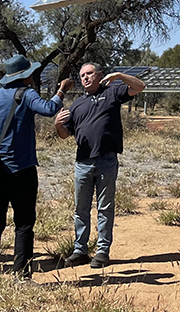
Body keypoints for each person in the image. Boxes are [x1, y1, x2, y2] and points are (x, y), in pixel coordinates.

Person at [0, 55, 74, 277]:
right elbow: (49, 109)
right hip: (23, 168)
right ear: (25, 76)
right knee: (24, 222)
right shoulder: (27, 94)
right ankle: (21, 274)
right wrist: (61, 91)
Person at [55, 63, 145, 269]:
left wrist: (120, 75)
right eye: (82, 75)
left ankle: (103, 251)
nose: (85, 78)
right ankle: (80, 250)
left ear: (99, 75)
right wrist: (58, 125)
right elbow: (65, 134)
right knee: (81, 209)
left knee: (105, 207)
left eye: (89, 73)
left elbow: (140, 87)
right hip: (83, 163)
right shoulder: (77, 105)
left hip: (106, 160)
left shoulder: (113, 92)